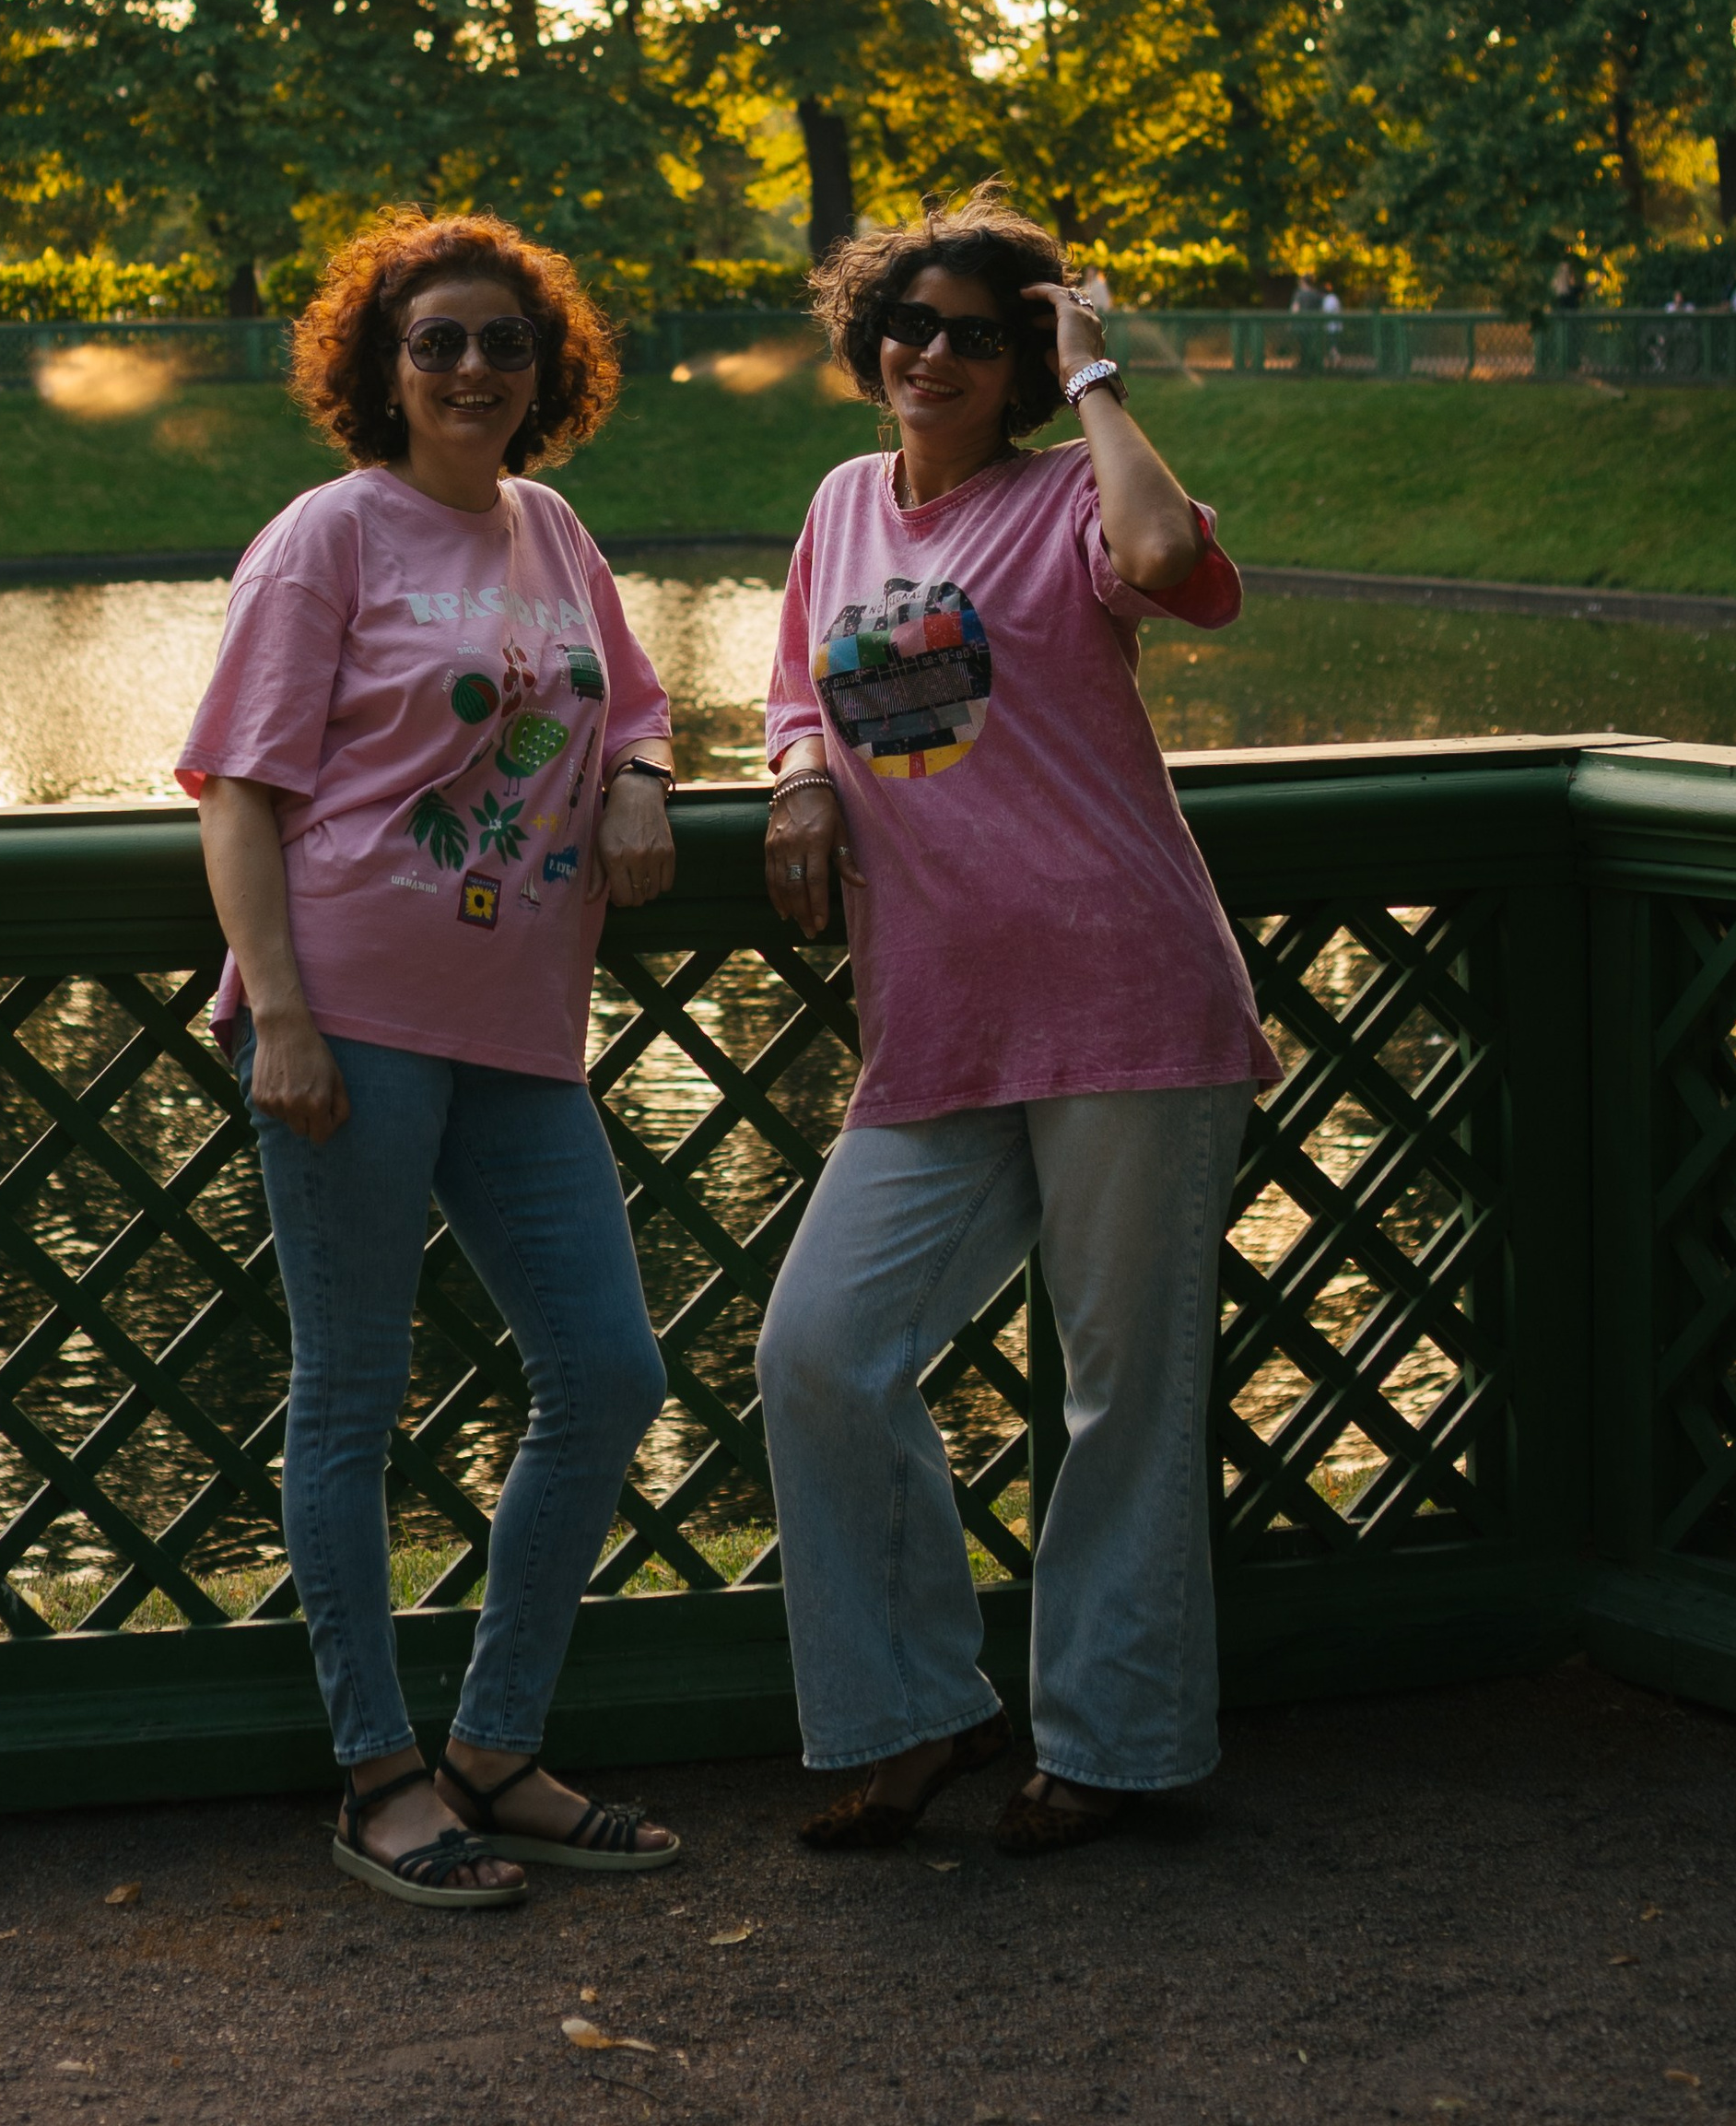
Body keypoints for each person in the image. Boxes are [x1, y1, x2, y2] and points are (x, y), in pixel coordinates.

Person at [753, 183, 1277, 1862]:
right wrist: (797, 783)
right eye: (908, 324)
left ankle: (1114, 1746)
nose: (932, 354)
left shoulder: (1066, 494)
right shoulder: (843, 504)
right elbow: (793, 689)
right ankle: (917, 1714)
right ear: (869, 340)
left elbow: (1161, 561)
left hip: (1132, 996)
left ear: (1026, 363)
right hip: (946, 1022)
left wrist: (1105, 374)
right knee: (820, 1353)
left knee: (1121, 1395)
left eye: (981, 337)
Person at [179, 211, 685, 1911]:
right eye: (437, 341)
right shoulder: (328, 537)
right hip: (355, 1020)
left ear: (547, 373)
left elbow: (633, 698)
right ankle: (379, 1776)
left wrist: (638, 779)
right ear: (379, 368)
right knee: (354, 1398)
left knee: (608, 1372)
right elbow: (240, 796)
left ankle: (492, 1748)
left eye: (503, 344)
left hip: (521, 1030)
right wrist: (286, 1013)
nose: (473, 368)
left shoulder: (548, 526)